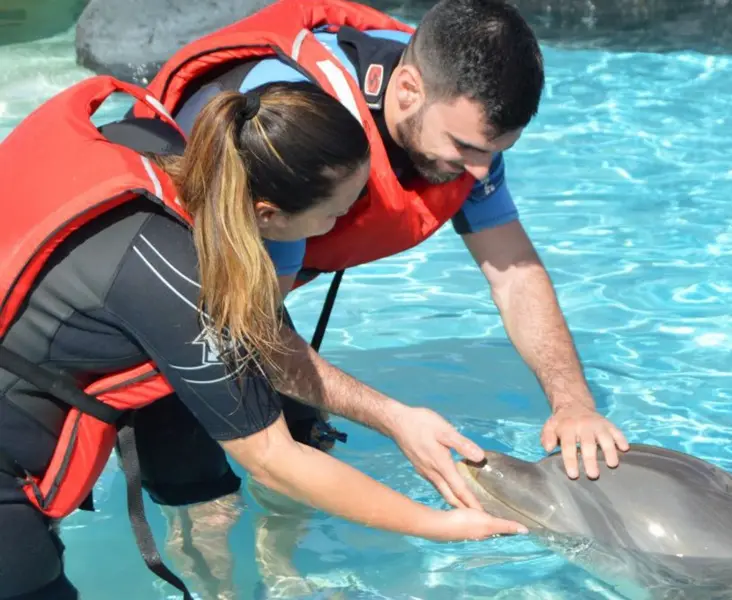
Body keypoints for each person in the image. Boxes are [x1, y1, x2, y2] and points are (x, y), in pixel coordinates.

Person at [131, 0, 631, 595]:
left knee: (302, 452)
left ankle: (283, 574)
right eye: (464, 147)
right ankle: (217, 590)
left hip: (269, 280)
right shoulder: (302, 135)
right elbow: (256, 335)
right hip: (179, 289)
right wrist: (396, 420)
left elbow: (514, 272)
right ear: (410, 88)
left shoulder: (457, 126)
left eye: (494, 153)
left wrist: (571, 400)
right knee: (206, 500)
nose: (479, 173)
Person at [0, 75, 527, 600]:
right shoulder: (175, 279)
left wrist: (396, 419)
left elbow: (260, 339)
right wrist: (438, 525)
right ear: (267, 215)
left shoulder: (171, 155)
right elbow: (273, 458)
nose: (345, 219)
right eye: (336, 212)